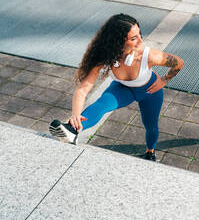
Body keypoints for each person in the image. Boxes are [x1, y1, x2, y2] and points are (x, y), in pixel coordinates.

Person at [49, 13, 184, 161]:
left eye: (139, 35)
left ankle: (150, 153)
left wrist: (164, 79)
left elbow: (178, 62)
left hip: (149, 91)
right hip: (123, 88)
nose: (140, 41)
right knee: (102, 104)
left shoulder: (149, 55)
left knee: (151, 125)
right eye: (133, 38)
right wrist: (75, 114)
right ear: (118, 42)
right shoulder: (107, 55)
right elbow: (83, 89)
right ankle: (72, 130)